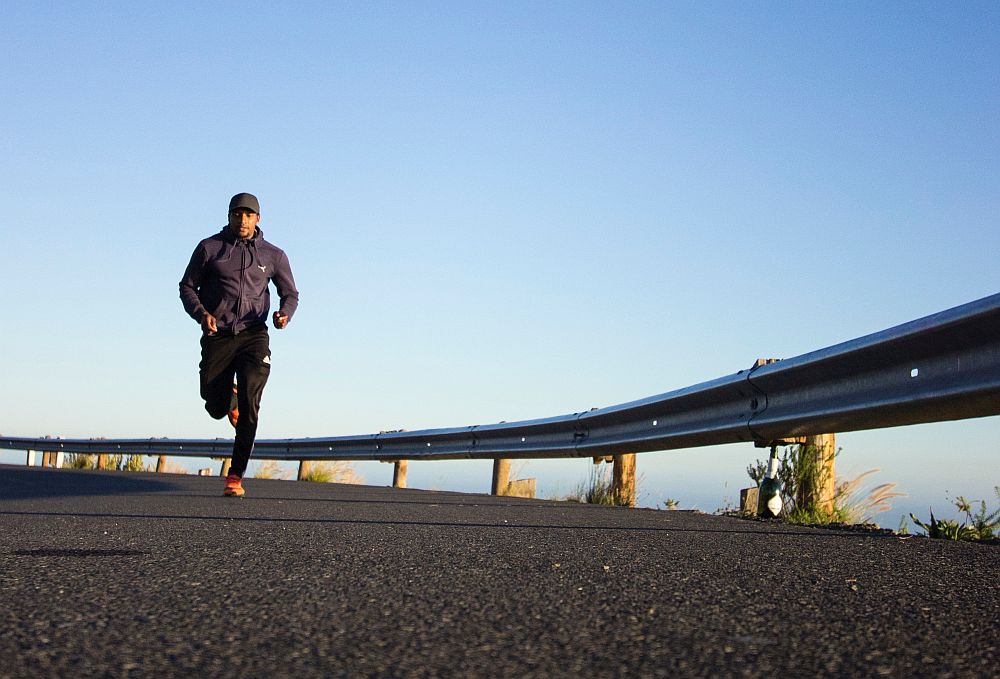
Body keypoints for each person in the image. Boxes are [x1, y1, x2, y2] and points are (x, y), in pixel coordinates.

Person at [179, 192, 299, 497]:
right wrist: (202, 314)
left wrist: (285, 313)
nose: (242, 220)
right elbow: (187, 286)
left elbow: (291, 293)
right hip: (217, 334)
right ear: (229, 216)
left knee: (251, 402)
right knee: (214, 404)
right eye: (237, 215)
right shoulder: (210, 248)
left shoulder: (273, 255)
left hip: (253, 335)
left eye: (248, 215)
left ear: (258, 219)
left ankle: (235, 475)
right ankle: (226, 401)